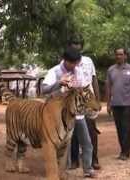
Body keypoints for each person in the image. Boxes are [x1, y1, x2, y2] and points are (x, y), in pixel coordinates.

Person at [41, 47, 96, 178]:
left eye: (77, 63)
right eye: (72, 63)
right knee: (62, 145)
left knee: (87, 142)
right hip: (59, 116)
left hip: (78, 113)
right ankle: (61, 171)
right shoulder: (54, 71)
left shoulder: (78, 71)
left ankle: (88, 169)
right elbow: (44, 89)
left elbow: (83, 89)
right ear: (65, 60)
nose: (75, 66)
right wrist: (59, 83)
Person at [68, 36, 102, 170]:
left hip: (89, 101)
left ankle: (94, 160)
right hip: (73, 102)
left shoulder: (88, 61)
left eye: (78, 45)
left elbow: (94, 80)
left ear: (81, 47)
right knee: (74, 132)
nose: (76, 47)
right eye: (73, 45)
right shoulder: (66, 63)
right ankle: (75, 160)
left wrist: (97, 100)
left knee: (91, 131)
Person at [106, 48, 130, 160]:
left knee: (127, 128)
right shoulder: (111, 70)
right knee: (119, 128)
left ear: (125, 56)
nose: (118, 56)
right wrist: (108, 104)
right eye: (117, 54)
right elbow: (108, 87)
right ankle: (122, 150)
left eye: (121, 54)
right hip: (115, 104)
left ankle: (126, 152)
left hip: (128, 103)